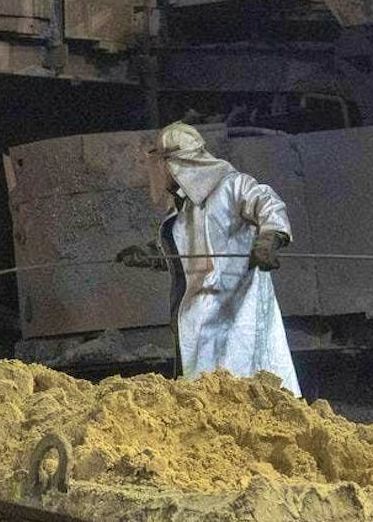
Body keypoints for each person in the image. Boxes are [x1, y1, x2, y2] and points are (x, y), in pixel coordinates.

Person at [116, 121, 301, 396]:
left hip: (237, 306)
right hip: (201, 310)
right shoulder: (185, 207)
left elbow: (267, 203)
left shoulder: (233, 186)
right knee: (205, 387)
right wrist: (151, 255)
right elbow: (189, 253)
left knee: (244, 377)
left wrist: (269, 239)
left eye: (161, 164)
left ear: (176, 164)